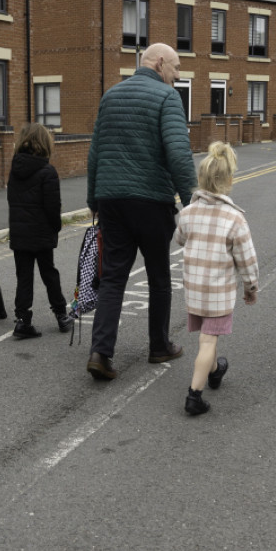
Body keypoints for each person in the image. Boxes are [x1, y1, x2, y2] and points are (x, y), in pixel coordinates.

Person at [85, 42, 198, 380]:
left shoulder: (111, 96)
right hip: (150, 201)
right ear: (159, 62)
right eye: (176, 68)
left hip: (112, 201)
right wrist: (194, 205)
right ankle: (159, 345)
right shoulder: (167, 98)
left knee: (113, 278)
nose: (177, 77)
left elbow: (95, 152)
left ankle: (100, 353)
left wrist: (94, 200)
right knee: (159, 277)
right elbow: (178, 154)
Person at [174, 142, 258, 416]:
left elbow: (180, 239)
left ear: (201, 179)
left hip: (195, 290)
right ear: (230, 180)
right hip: (219, 292)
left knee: (206, 341)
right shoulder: (235, 219)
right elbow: (247, 260)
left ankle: (215, 370)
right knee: (208, 342)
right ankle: (194, 397)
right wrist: (251, 287)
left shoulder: (186, 213)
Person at [7, 122, 74, 338]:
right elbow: (52, 207)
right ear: (45, 143)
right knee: (49, 274)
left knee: (23, 277)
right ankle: (62, 316)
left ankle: (22, 321)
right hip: (42, 233)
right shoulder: (48, 171)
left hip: (20, 233)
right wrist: (56, 227)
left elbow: (11, 200)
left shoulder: (14, 169)